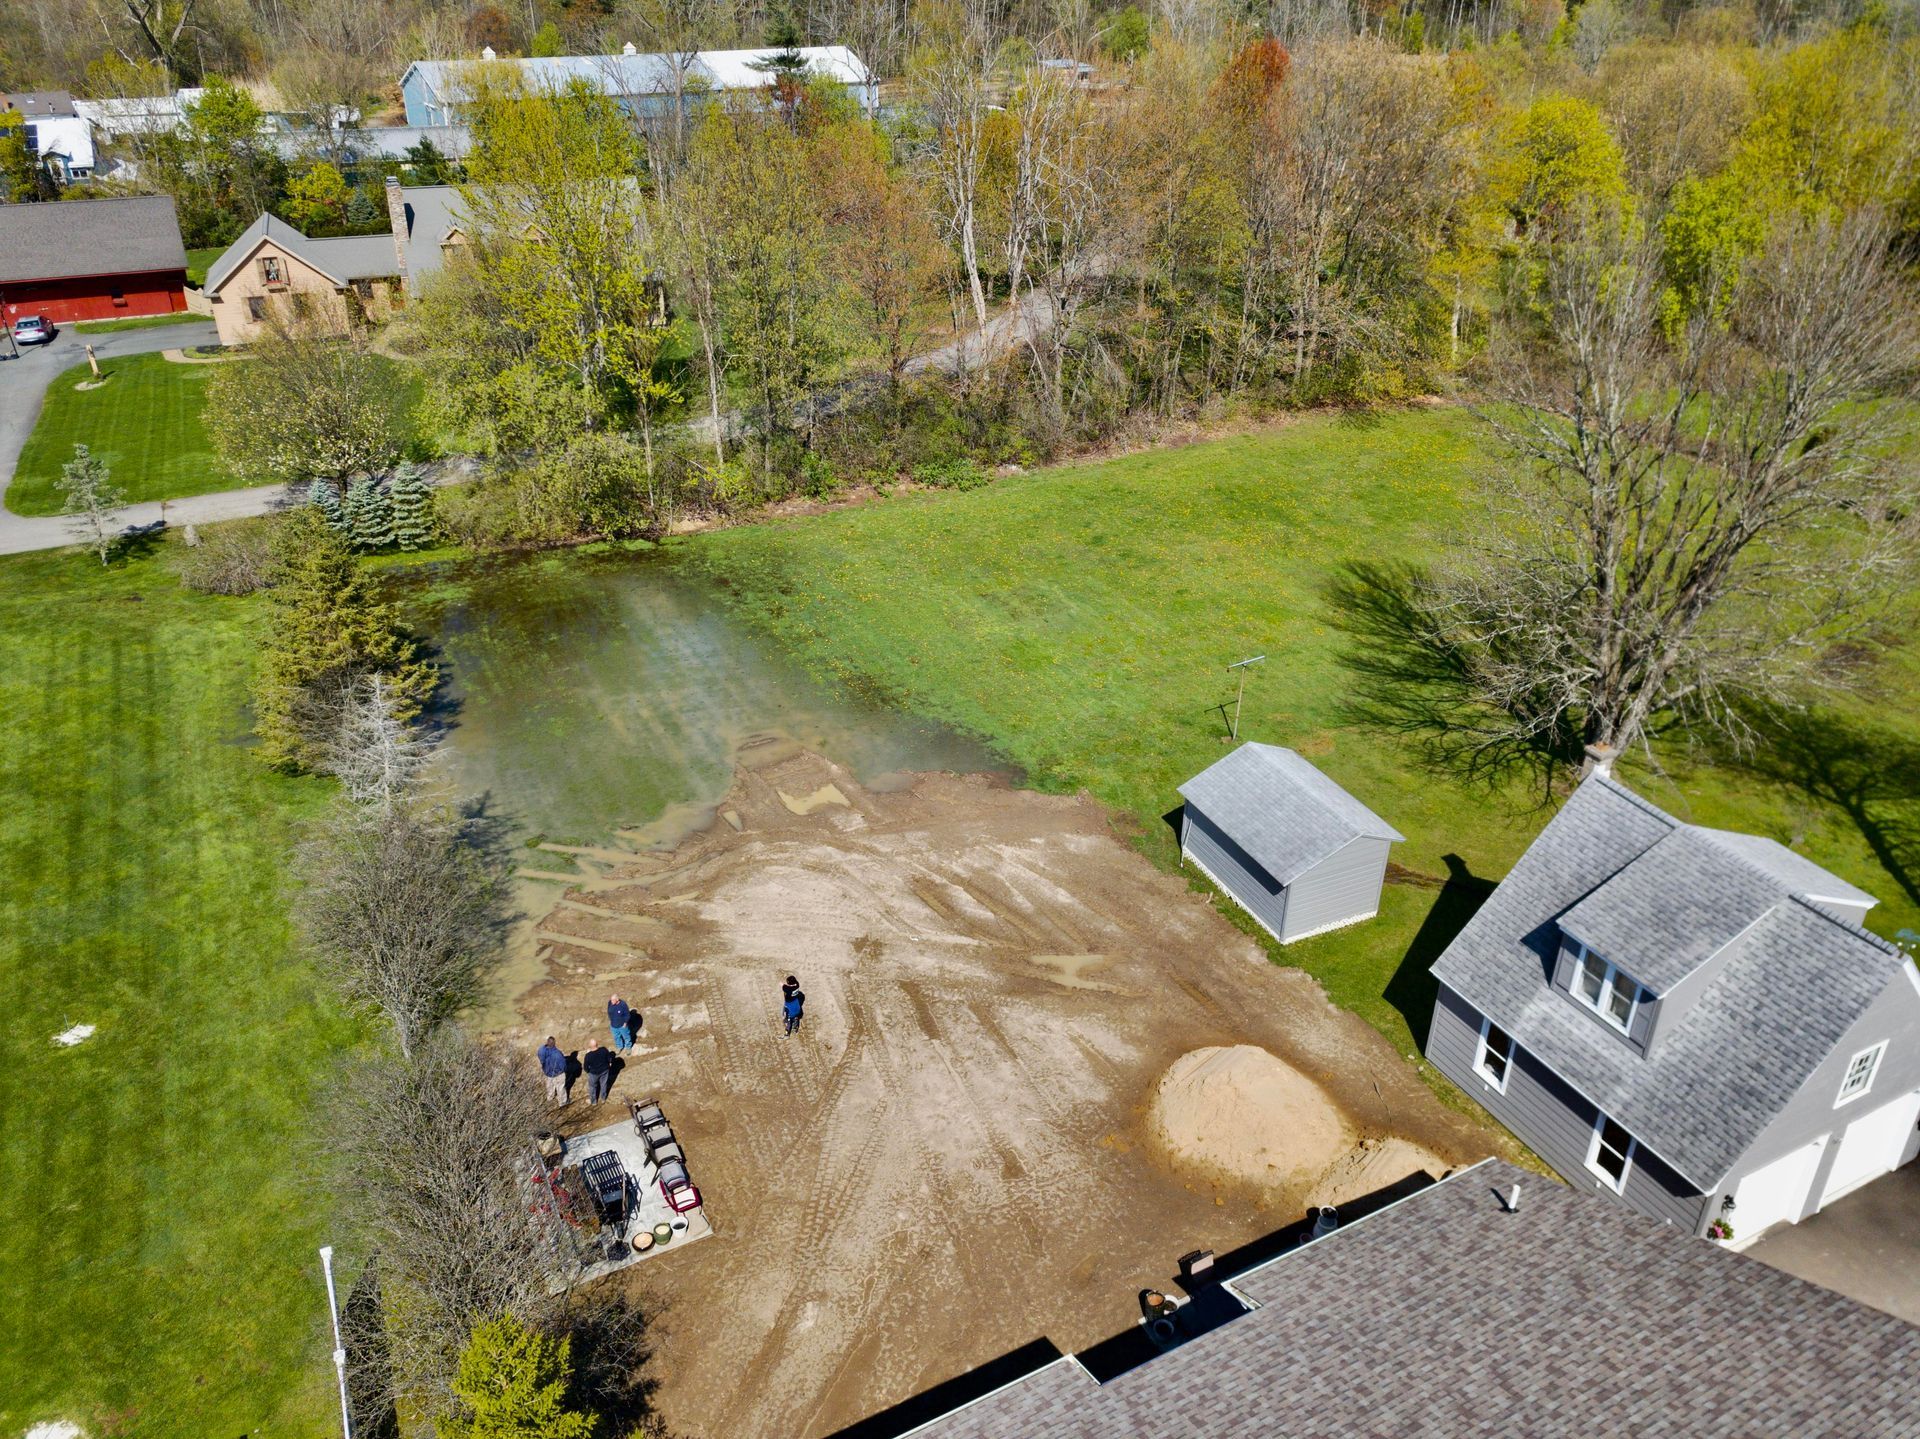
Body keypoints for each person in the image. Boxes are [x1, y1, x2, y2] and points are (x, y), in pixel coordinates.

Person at [536, 1035, 568, 1106]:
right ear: (554, 1043)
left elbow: (540, 1057)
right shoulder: (557, 1054)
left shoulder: (541, 1050)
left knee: (549, 1086)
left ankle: (550, 1098)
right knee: (560, 1087)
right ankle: (562, 1102)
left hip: (547, 1072)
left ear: (547, 1042)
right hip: (558, 1074)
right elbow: (563, 1066)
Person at [583, 1038, 614, 1105]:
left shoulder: (588, 1056)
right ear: (597, 1044)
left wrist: (588, 1071)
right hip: (605, 1070)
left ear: (589, 1046)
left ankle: (593, 1101)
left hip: (594, 1073)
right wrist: (610, 1062)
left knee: (592, 1087)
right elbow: (609, 1058)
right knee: (604, 1084)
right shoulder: (604, 1050)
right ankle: (603, 1098)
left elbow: (585, 1067)